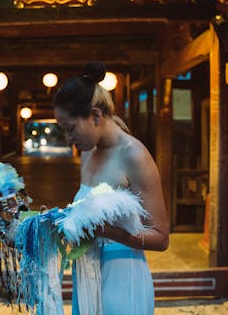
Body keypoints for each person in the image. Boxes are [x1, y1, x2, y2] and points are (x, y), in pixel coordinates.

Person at [54, 62, 169, 315]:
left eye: (71, 128)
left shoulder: (135, 155)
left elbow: (161, 238)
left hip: (122, 276)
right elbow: (87, 210)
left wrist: (106, 231)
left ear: (95, 115)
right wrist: (61, 220)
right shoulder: (88, 152)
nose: (68, 139)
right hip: (87, 273)